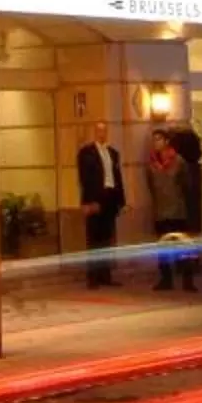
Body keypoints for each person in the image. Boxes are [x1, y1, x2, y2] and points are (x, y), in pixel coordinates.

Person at [75, 119, 126, 286]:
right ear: (95, 132)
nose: (101, 133)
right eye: (98, 130)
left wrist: (121, 201)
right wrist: (89, 201)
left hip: (110, 198)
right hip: (95, 198)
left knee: (107, 239)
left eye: (104, 130)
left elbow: (118, 177)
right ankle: (93, 277)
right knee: (94, 239)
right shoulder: (86, 152)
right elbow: (84, 179)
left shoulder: (113, 153)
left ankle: (106, 276)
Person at [144, 130, 193, 291]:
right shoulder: (151, 164)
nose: (156, 143)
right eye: (154, 140)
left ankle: (187, 280)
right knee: (163, 248)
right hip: (160, 211)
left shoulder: (178, 161)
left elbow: (187, 184)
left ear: (166, 141)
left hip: (177, 211)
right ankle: (166, 279)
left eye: (159, 139)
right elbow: (151, 186)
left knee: (182, 247)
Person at [172, 122, 202, 290]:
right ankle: (192, 262)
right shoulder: (194, 167)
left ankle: (186, 265)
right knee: (192, 231)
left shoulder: (184, 167)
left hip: (183, 208)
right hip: (191, 208)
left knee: (185, 233)